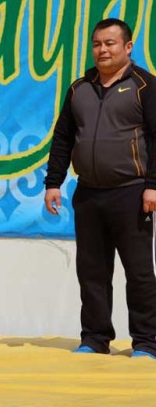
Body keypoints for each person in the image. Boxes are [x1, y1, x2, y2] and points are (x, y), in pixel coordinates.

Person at [44, 18, 156, 359]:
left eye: (110, 43)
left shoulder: (145, 86)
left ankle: (148, 342)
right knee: (92, 271)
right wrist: (53, 182)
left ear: (128, 46)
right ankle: (94, 338)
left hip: (133, 192)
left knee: (139, 273)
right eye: (97, 44)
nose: (102, 49)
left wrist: (152, 186)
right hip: (89, 193)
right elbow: (63, 137)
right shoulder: (79, 88)